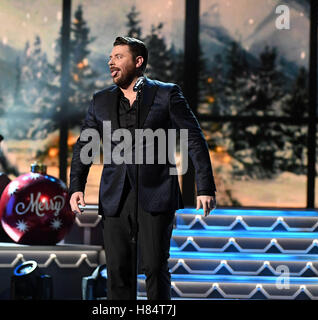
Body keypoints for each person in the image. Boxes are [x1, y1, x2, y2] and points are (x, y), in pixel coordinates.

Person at [69, 36, 216, 300]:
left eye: (118, 57)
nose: (111, 62)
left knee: (155, 267)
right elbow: (84, 146)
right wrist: (76, 186)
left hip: (156, 194)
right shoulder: (100, 100)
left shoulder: (166, 94)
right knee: (117, 271)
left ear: (138, 62)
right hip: (115, 196)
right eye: (110, 57)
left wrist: (204, 187)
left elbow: (193, 137)